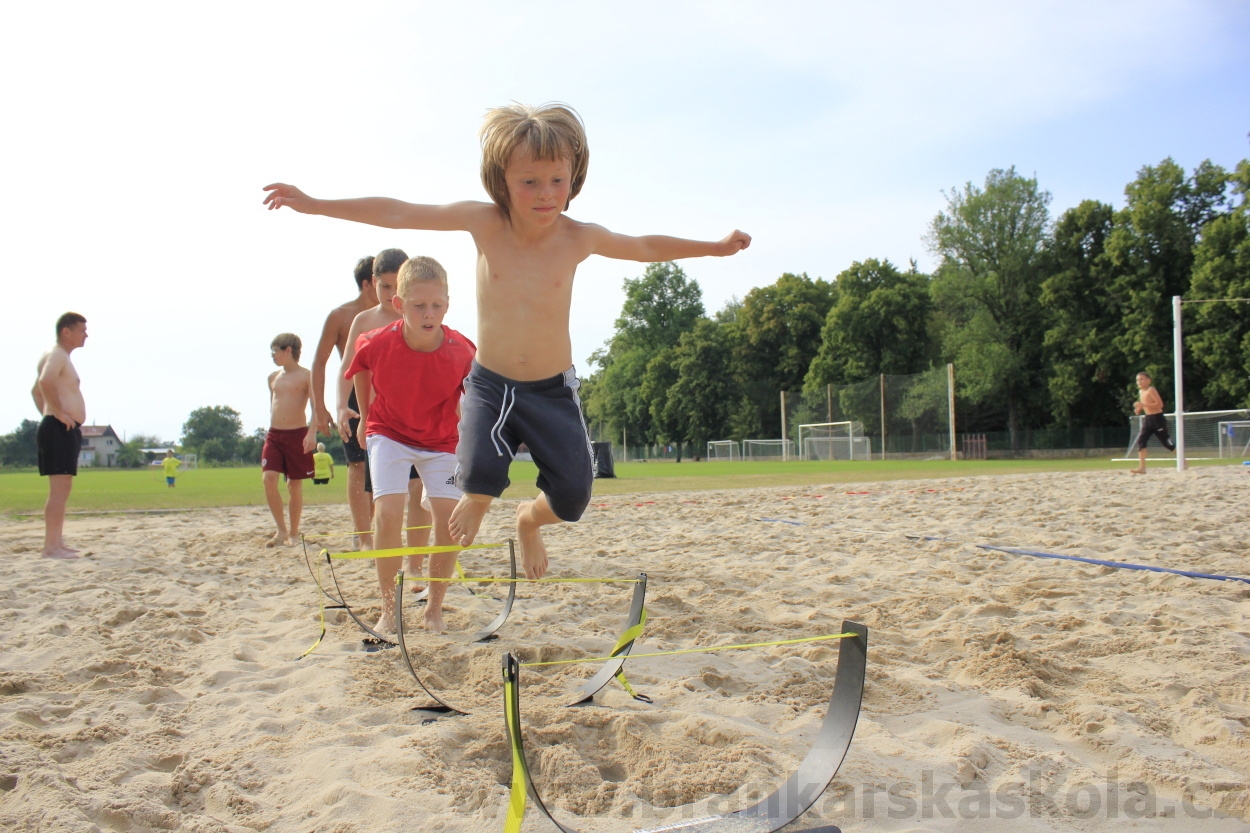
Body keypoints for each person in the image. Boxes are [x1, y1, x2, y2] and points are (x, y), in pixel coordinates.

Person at [264, 102, 750, 579]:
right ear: (502, 181)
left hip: (554, 391)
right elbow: (399, 212)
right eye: (529, 182)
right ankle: (478, 498)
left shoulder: (578, 237)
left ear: (574, 177)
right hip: (491, 384)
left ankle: (526, 521)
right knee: (476, 477)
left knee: (575, 495)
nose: (545, 194)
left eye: (557, 180)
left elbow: (645, 247)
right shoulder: (485, 223)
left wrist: (713, 248)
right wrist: (314, 204)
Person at [344, 256, 475, 633]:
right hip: (390, 432)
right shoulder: (375, 342)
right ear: (399, 305)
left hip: (441, 440)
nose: (428, 314)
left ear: (447, 304)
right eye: (419, 306)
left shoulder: (463, 350)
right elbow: (360, 372)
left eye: (437, 305)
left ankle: (434, 608)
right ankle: (389, 609)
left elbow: (477, 401)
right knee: (387, 513)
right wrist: (367, 418)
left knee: (449, 522)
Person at [336, 249, 432, 560]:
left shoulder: (421, 314)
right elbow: (347, 367)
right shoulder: (365, 320)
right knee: (385, 497)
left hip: (419, 417)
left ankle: (416, 563)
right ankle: (382, 557)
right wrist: (342, 406)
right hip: (380, 421)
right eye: (385, 287)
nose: (391, 294)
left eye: (397, 286)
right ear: (372, 283)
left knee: (419, 493)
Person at [311, 256, 379, 544]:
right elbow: (319, 363)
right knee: (357, 464)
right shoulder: (341, 316)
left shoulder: (399, 312)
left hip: (388, 394)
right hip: (352, 394)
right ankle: (362, 535)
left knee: (381, 467)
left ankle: (370, 528)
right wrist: (320, 409)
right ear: (368, 283)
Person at [32, 312, 89, 560]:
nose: (86, 334)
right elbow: (44, 383)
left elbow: (35, 392)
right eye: (82, 329)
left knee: (63, 488)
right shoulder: (56, 354)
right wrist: (56, 414)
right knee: (58, 490)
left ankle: (57, 542)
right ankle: (50, 547)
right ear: (67, 331)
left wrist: (50, 414)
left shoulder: (59, 356)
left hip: (60, 427)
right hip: (58, 428)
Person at [262, 333, 317, 546]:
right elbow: (272, 405)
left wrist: (312, 433)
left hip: (297, 434)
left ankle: (294, 532)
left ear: (288, 350)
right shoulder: (272, 378)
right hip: (275, 434)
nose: (273, 356)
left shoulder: (307, 376)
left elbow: (316, 408)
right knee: (268, 479)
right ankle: (281, 530)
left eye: (275, 351)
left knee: (294, 485)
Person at [1130, 371, 1176, 475]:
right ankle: (1142, 467)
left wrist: (1143, 404)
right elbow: (1145, 406)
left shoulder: (1151, 390)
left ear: (1148, 380)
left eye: (1141, 379)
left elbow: (1159, 404)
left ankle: (1183, 460)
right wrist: (1139, 409)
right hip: (1148, 419)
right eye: (1137, 380)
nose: (1139, 382)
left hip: (1157, 419)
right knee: (1141, 441)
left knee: (1166, 442)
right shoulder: (1141, 392)